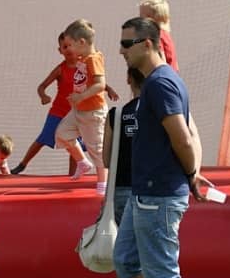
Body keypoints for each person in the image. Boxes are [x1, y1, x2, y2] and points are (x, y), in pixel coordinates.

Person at [113, 17, 211, 278]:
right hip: (145, 192)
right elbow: (188, 134)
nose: (121, 50)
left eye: (126, 44)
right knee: (126, 260)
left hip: (157, 196)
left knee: (163, 277)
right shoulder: (160, 81)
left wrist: (191, 174)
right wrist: (192, 172)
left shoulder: (160, 84)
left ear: (147, 44)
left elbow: (184, 138)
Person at [11, 32, 119, 175]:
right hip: (58, 111)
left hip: (79, 112)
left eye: (70, 46)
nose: (68, 49)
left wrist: (109, 89)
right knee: (43, 138)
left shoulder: (85, 64)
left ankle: (72, 174)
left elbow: (97, 81)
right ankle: (22, 164)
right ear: (60, 50)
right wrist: (43, 96)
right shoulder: (60, 69)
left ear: (77, 46)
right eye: (64, 47)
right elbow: (42, 86)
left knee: (76, 144)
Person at [55, 19, 109, 195]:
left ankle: (103, 182)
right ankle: (82, 162)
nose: (69, 49)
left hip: (92, 113)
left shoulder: (93, 59)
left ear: (82, 42)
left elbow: (100, 84)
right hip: (78, 110)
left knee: (97, 149)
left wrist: (81, 96)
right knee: (62, 134)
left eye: (71, 45)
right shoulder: (83, 58)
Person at [102, 67, 144, 226]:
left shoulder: (116, 114)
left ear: (129, 79)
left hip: (121, 187)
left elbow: (106, 160)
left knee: (120, 238)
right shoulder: (161, 113)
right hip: (152, 190)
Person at [138, 0, 178, 71]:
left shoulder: (156, 36)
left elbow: (161, 61)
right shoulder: (165, 33)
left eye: (142, 17)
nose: (140, 20)